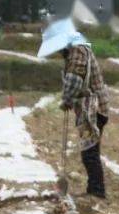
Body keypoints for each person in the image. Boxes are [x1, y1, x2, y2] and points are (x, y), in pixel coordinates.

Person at [38, 18, 110, 200]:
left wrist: (66, 100)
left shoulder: (77, 50)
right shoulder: (78, 48)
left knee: (89, 152)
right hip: (92, 107)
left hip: (93, 109)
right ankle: (94, 189)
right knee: (90, 151)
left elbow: (74, 79)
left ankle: (97, 192)